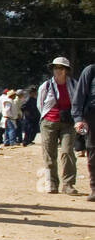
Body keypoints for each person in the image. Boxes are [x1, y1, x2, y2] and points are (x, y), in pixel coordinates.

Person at [38, 56, 79, 195]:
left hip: (68, 123)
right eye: (55, 67)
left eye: (61, 68)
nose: (58, 70)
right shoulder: (46, 85)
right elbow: (41, 104)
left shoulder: (74, 84)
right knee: (49, 154)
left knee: (67, 152)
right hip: (49, 122)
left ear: (66, 70)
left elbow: (78, 102)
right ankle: (52, 183)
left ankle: (68, 184)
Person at [71, 61, 95, 201]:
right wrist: (78, 118)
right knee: (93, 152)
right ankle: (94, 188)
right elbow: (79, 96)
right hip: (92, 116)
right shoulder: (91, 71)